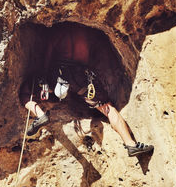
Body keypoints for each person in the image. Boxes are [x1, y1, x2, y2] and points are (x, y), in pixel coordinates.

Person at [22, 23, 154, 157]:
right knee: (108, 108)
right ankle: (131, 144)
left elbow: (47, 61)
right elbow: (92, 58)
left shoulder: (55, 34)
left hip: (60, 75)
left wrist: (42, 78)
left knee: (25, 91)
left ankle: (40, 115)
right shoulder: (85, 34)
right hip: (82, 78)